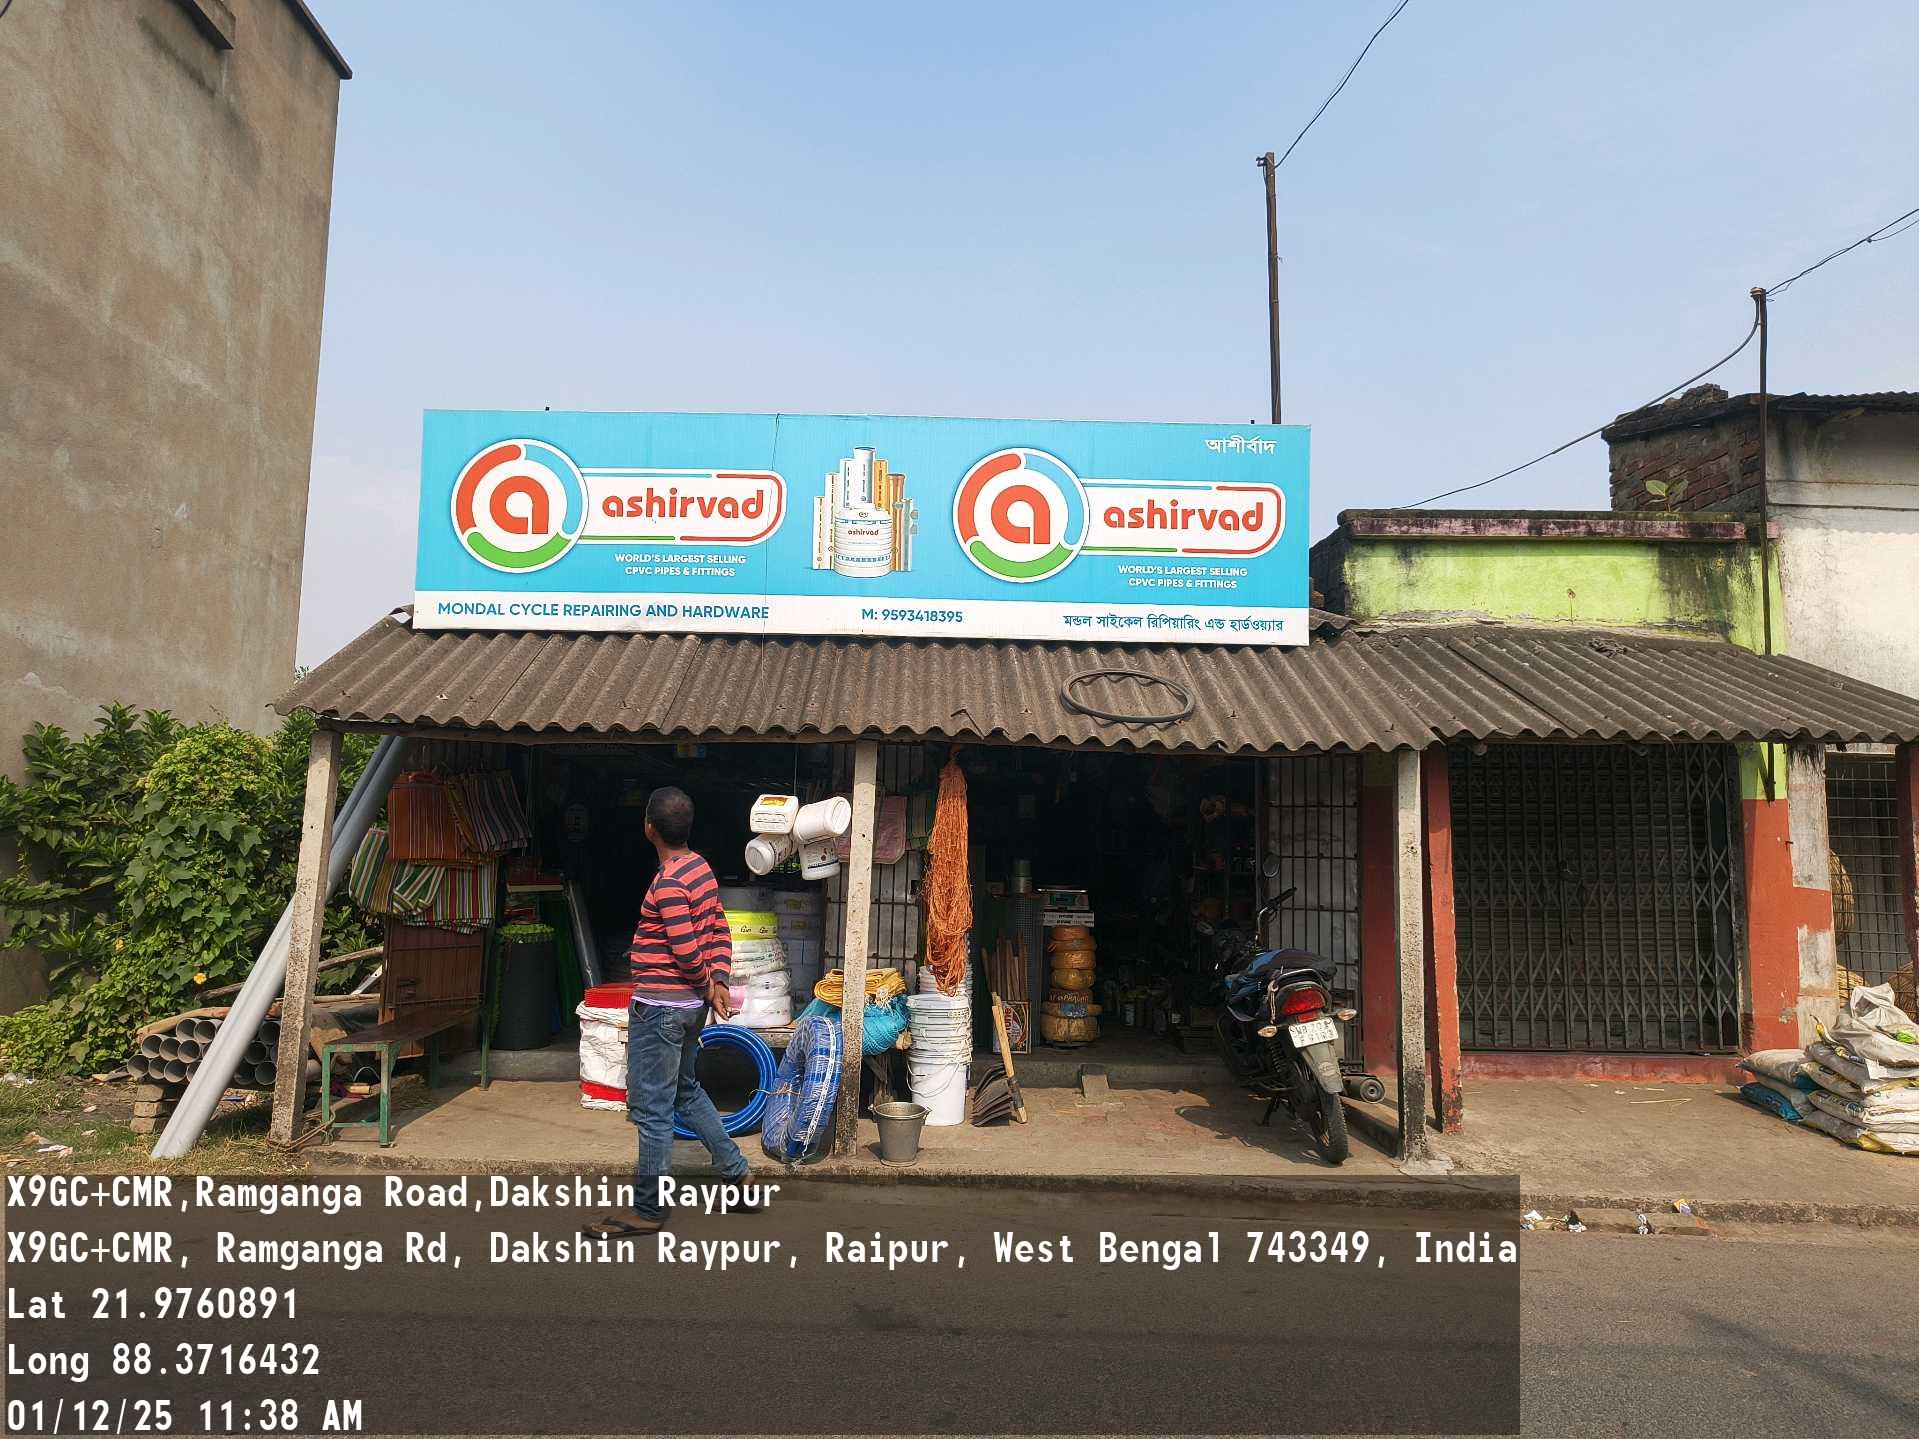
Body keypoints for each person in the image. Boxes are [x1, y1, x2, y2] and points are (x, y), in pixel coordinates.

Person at [585, 787, 756, 1238]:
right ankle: (736, 1173)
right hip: (689, 1008)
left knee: (651, 1109)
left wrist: (706, 983)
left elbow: (684, 949)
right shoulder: (701, 869)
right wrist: (717, 982)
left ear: (649, 827)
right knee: (684, 1091)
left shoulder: (669, 883)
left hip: (660, 1010)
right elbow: (718, 929)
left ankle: (648, 1208)